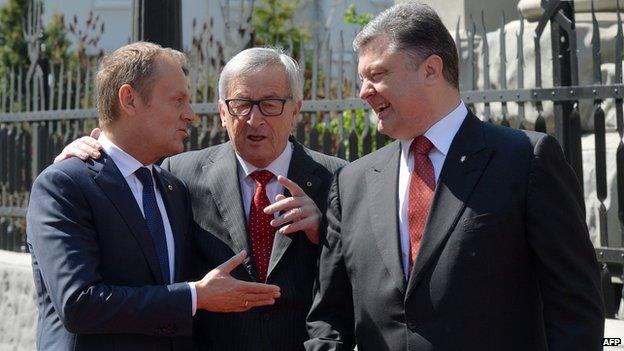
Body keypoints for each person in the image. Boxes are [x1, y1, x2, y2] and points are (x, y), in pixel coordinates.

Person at [305, 3, 604, 351]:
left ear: (431, 69)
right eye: (362, 79)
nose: (364, 91)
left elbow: (574, 305)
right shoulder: (352, 181)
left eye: (377, 74)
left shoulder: (525, 160)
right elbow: (328, 318)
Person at [55, 47, 347, 350]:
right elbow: (121, 169)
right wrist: (92, 147)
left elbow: (356, 283)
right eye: (241, 105)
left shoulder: (338, 180)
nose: (254, 119)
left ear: (296, 109)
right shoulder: (178, 175)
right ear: (223, 112)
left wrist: (324, 232)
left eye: (270, 104)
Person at [28, 42, 280, 351]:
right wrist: (194, 296)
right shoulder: (65, 184)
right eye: (178, 100)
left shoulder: (173, 189)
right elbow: (79, 303)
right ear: (129, 99)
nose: (190, 115)